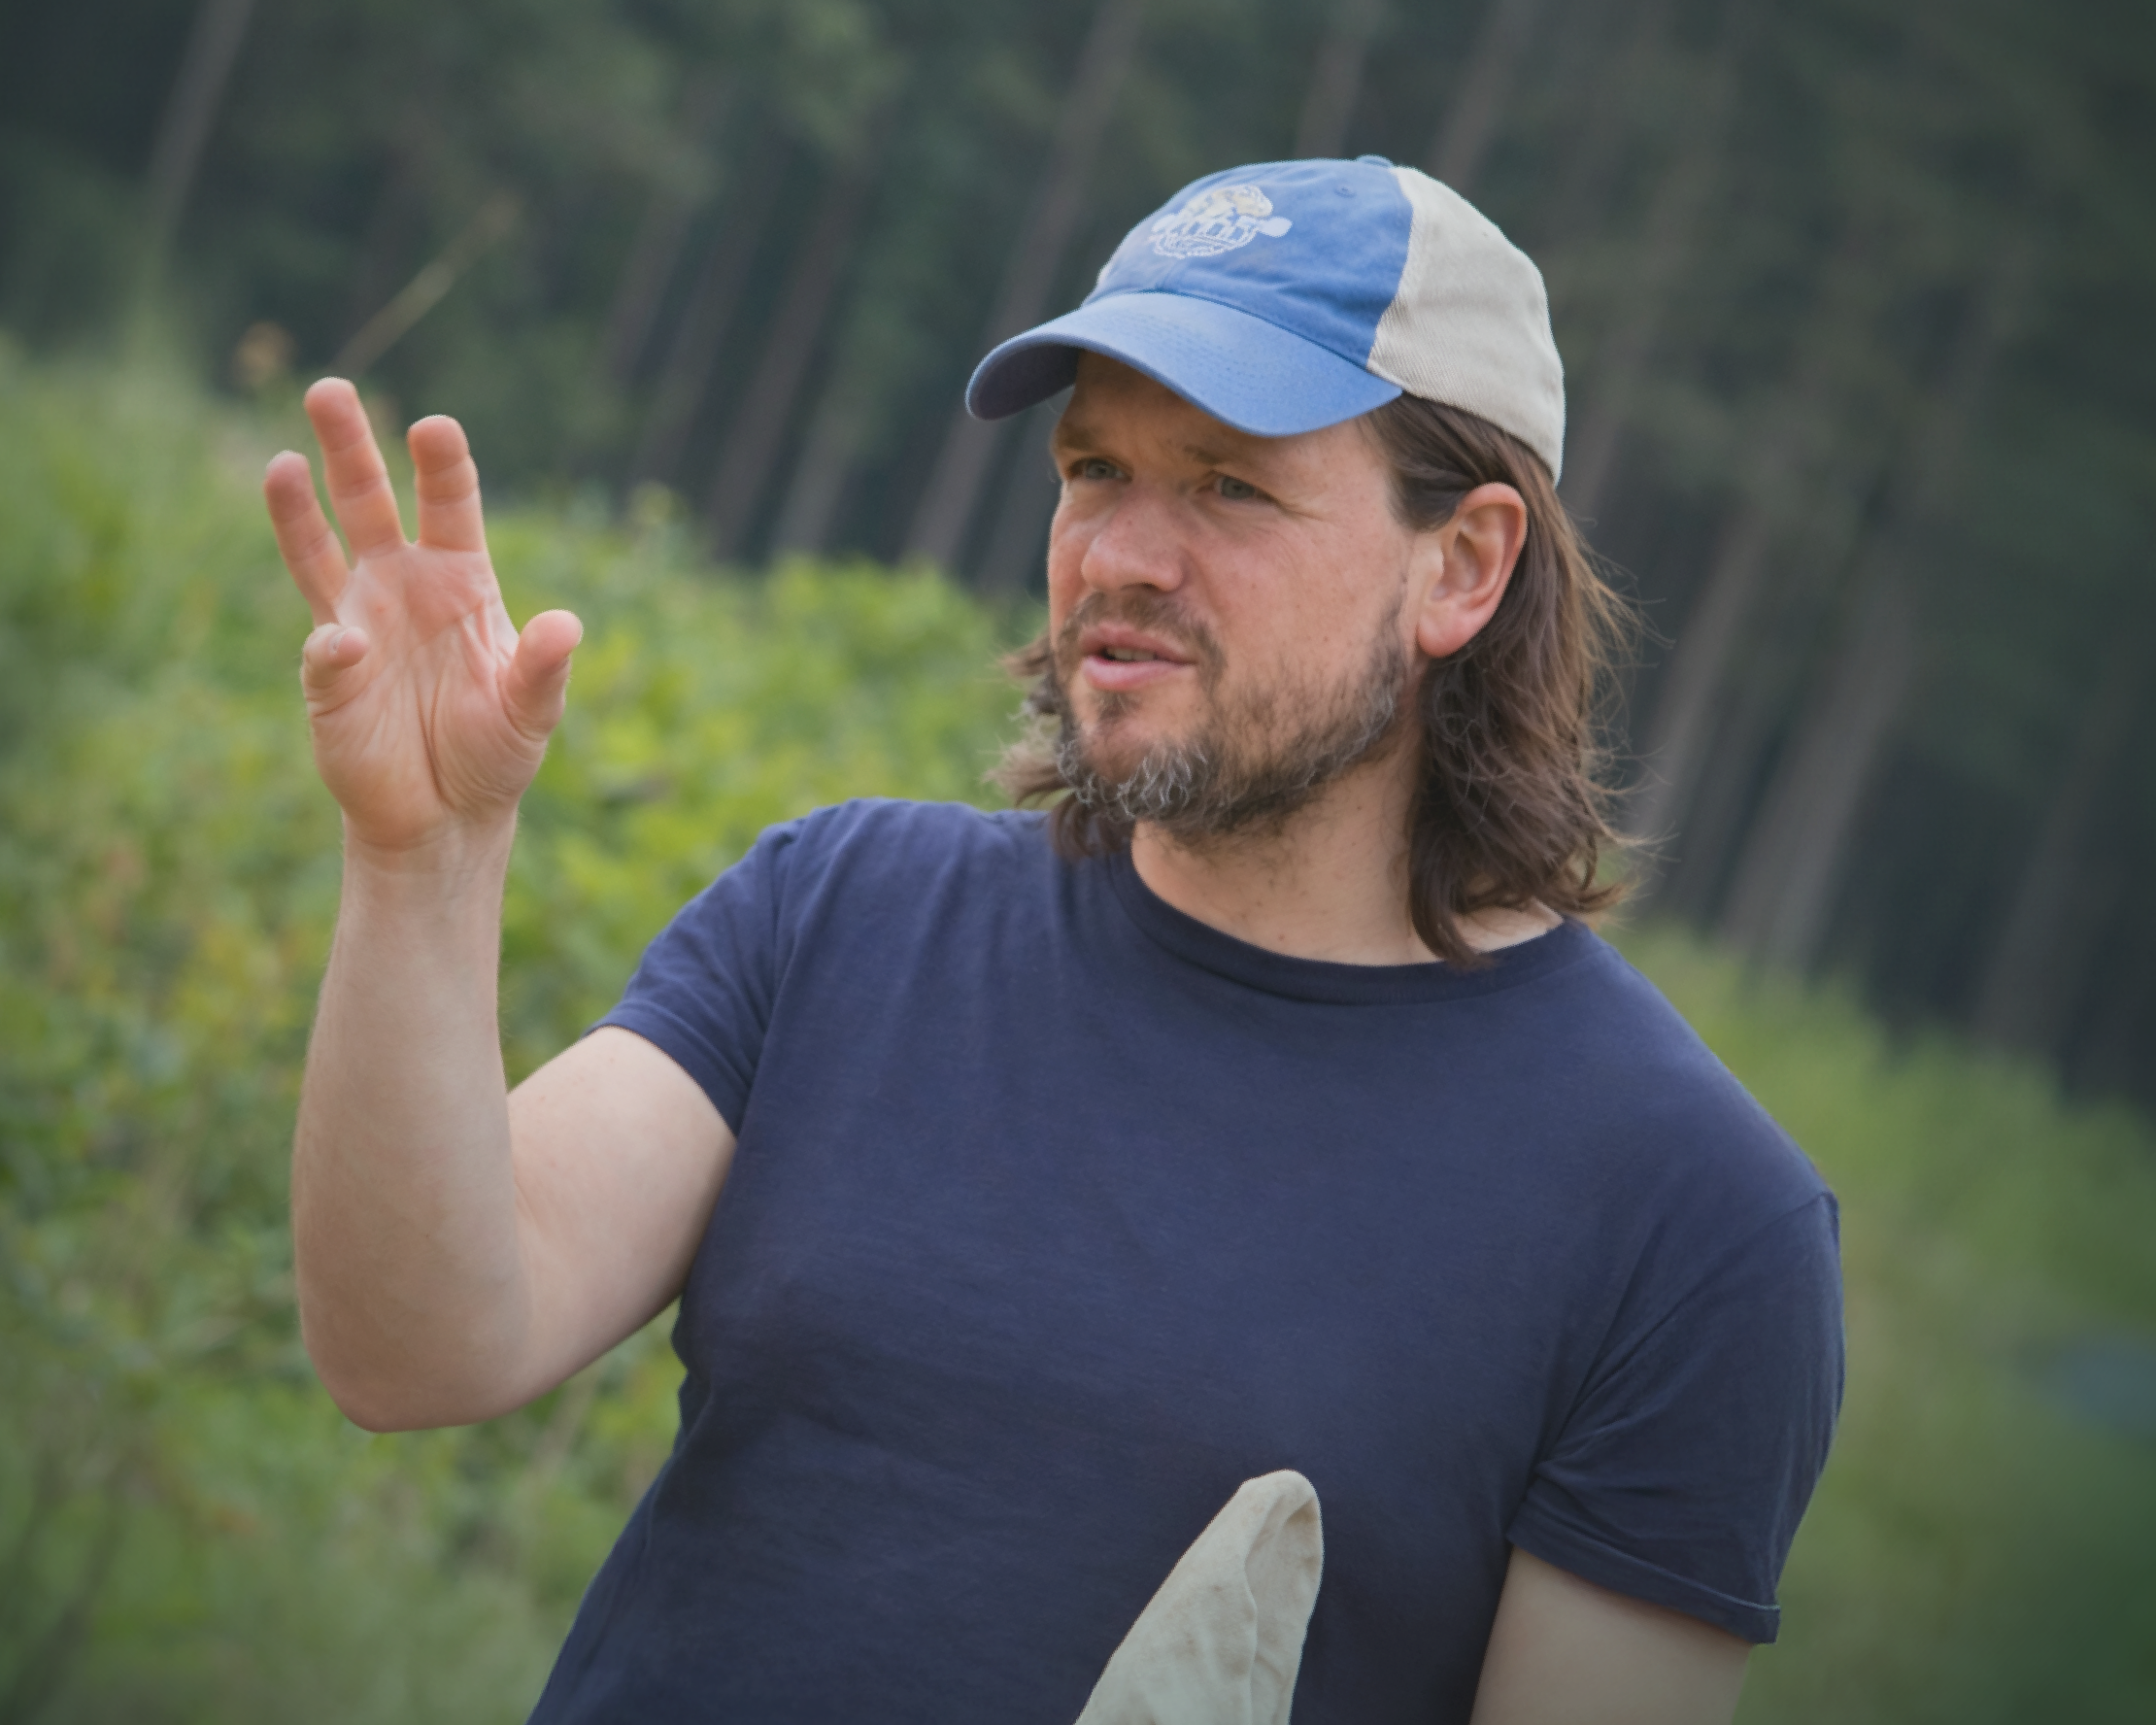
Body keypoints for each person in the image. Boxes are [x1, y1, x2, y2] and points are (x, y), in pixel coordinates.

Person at [264, 155, 1841, 1723]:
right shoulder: (846, 914)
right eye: (1095, 469)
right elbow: (418, 1348)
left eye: (1228, 483)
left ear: (1464, 565)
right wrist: (424, 864)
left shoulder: (1689, 1222)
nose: (1121, 555)